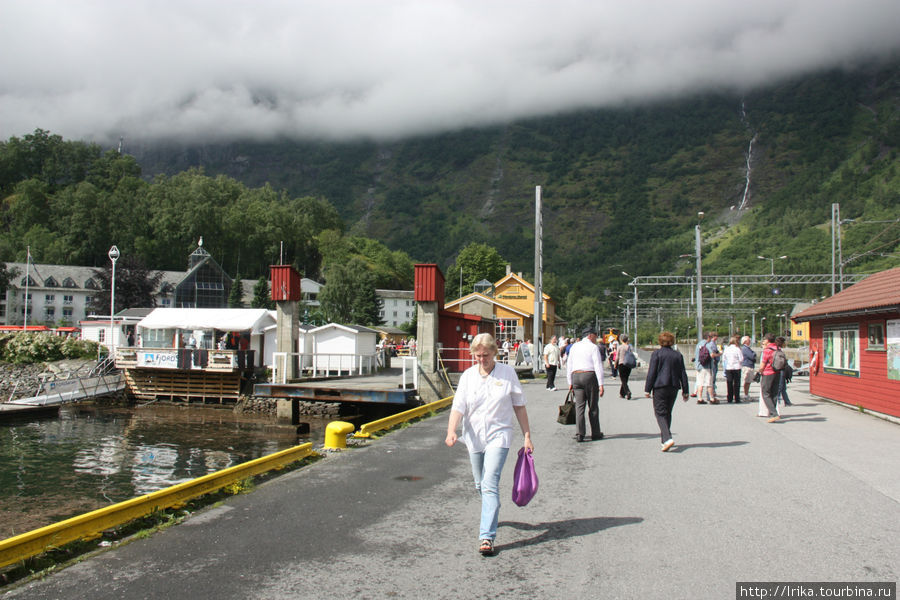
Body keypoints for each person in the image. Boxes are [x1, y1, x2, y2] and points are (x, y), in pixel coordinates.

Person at [445, 333, 533, 556]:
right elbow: (458, 407)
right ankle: (491, 509)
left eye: (486, 355)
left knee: (490, 482)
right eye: (478, 355)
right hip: (474, 436)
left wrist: (527, 436)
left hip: (499, 434)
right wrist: (451, 431)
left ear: (495, 352)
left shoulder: (507, 373)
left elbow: (519, 406)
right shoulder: (467, 376)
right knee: (479, 484)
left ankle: (487, 536)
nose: (482, 359)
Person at [644, 331, 690, 452]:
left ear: (660, 341)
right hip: (674, 386)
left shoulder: (657, 354)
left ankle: (668, 438)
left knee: (660, 413)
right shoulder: (677, 355)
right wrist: (686, 390)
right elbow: (682, 374)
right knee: (668, 412)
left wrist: (647, 389)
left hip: (660, 386)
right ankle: (664, 440)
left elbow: (652, 372)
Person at [566, 327, 606, 442]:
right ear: (590, 335)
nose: (596, 337)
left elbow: (570, 364)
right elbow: (598, 365)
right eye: (595, 335)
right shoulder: (593, 347)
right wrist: (601, 384)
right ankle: (595, 433)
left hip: (576, 376)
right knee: (593, 406)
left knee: (579, 406)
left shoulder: (574, 347)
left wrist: (570, 382)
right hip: (589, 376)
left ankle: (580, 433)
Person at [757, 333, 781, 423]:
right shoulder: (778, 348)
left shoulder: (767, 350)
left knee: (765, 393)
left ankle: (774, 414)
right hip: (777, 372)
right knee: (774, 393)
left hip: (768, 373)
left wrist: (759, 371)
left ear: (767, 340)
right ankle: (773, 414)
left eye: (764, 339)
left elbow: (763, 363)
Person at [693, 332, 715, 404]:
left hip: (699, 366)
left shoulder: (698, 344)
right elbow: (712, 355)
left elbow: (696, 356)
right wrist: (719, 354)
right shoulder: (707, 345)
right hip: (706, 366)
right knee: (709, 383)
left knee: (700, 383)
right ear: (708, 337)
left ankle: (699, 398)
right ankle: (712, 398)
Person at [722, 336, 744, 403]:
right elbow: (741, 359)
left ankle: (729, 398)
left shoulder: (727, 349)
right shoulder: (737, 349)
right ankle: (737, 398)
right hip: (736, 367)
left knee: (729, 383)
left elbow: (724, 358)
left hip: (728, 367)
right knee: (736, 384)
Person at [615, 334, 635, 399]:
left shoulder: (620, 347)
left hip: (621, 364)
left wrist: (615, 364)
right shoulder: (630, 347)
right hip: (629, 364)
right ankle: (622, 393)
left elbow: (617, 357)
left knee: (623, 379)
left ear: (621, 340)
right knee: (625, 379)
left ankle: (628, 391)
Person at [775, 336, 793, 407]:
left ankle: (787, 401)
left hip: (781, 369)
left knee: (783, 387)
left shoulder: (777, 350)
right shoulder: (778, 351)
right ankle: (777, 401)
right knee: (780, 386)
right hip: (781, 369)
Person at [740, 336, 757, 401]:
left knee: (748, 381)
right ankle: (746, 394)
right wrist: (754, 354)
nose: (750, 341)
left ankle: (746, 394)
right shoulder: (745, 349)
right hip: (747, 366)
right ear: (745, 341)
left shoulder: (747, 348)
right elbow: (752, 356)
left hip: (749, 365)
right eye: (748, 340)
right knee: (747, 381)